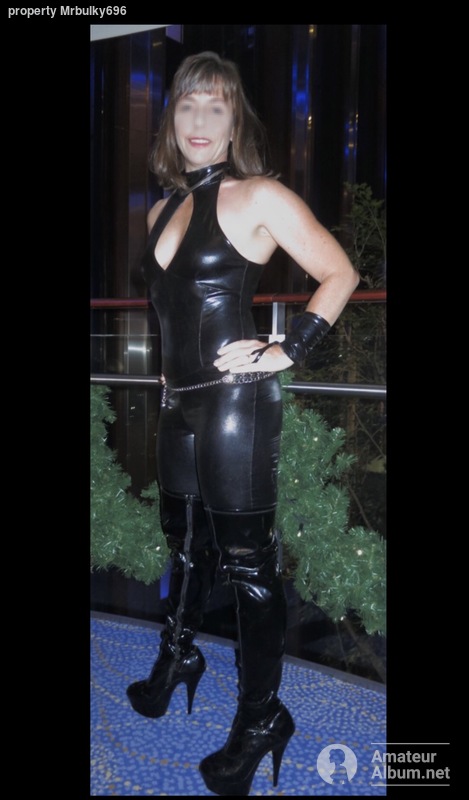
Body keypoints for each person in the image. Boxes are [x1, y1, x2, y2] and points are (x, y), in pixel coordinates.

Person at [126, 50, 359, 796]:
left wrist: (286, 347)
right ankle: (179, 656)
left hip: (235, 404)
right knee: (185, 544)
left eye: (216, 105)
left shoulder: (259, 194)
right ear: (171, 118)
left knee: (249, 568)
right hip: (179, 403)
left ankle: (261, 719)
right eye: (187, 104)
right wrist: (168, 375)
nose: (199, 119)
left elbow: (339, 272)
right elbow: (172, 311)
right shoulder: (160, 209)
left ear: (235, 122)